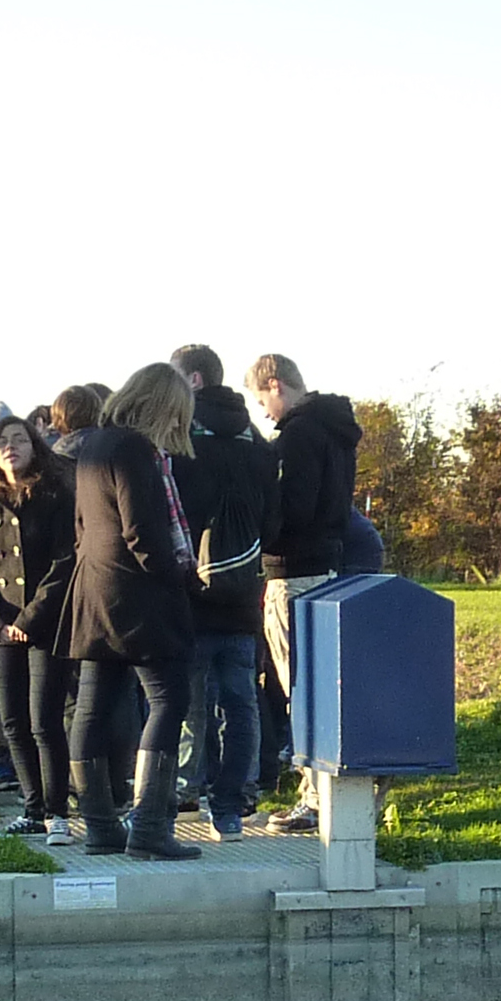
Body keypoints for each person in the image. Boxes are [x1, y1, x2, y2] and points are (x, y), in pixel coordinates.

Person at [59, 363, 201, 860]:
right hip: (141, 596)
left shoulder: (94, 444)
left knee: (92, 709)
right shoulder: (138, 450)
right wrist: (179, 578)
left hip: (95, 590)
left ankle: (99, 827)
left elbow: (82, 524)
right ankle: (149, 828)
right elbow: (144, 531)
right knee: (168, 699)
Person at [247, 352, 363, 833]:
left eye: (261, 400)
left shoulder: (296, 435)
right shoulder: (336, 429)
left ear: (275, 385)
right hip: (328, 566)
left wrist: (259, 529)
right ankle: (326, 790)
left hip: (291, 571)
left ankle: (314, 796)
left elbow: (293, 507)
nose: (264, 413)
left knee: (298, 687)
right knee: (321, 685)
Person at [167, 342, 274, 837]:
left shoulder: (183, 436)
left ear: (192, 381)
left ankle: (186, 788)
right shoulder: (255, 437)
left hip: (193, 592)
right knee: (241, 702)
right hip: (244, 591)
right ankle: (233, 803)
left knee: (189, 703)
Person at [0, 408, 78, 842]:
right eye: (3, 442)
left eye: (21, 439)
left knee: (44, 721)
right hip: (3, 630)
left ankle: (57, 812)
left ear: (36, 449)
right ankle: (31, 808)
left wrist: (31, 618)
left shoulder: (52, 498)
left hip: (45, 625)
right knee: (12, 721)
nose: (10, 447)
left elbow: (63, 562)